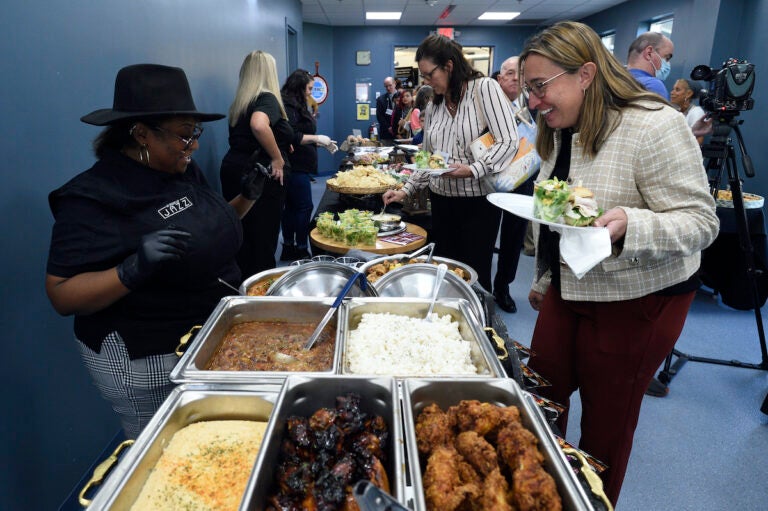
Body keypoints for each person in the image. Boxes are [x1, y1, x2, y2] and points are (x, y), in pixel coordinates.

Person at [519, 21, 719, 505]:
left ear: (585, 74)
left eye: (540, 87)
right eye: (528, 89)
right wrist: (547, 277)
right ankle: (541, 492)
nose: (532, 101)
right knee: (539, 398)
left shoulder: (654, 124)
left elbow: (700, 222)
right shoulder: (560, 126)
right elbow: (561, 214)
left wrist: (631, 222)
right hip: (572, 286)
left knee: (605, 426)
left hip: (640, 299)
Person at [45, 64, 262, 438]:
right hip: (143, 358)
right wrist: (131, 269)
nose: (193, 145)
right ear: (141, 134)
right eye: (183, 135)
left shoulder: (181, 170)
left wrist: (247, 198)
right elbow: (62, 295)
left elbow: (207, 233)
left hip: (204, 337)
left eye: (195, 133)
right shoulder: (91, 197)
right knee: (160, 448)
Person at [382, 34, 519, 291]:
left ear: (448, 66)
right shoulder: (434, 105)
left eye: (429, 75)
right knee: (446, 275)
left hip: (478, 205)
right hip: (442, 202)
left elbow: (508, 141)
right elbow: (429, 159)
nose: (425, 82)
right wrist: (405, 190)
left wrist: (472, 169)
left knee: (474, 278)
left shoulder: (484, 88)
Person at [220, 50, 294, 278]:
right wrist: (277, 158)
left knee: (242, 235)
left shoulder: (241, 102)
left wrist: (282, 143)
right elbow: (260, 125)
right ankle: (262, 293)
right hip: (260, 176)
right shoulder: (266, 98)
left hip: (234, 169)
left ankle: (243, 285)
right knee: (263, 239)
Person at [493, 55, 542, 313]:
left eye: (519, 74)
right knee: (488, 234)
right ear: (500, 79)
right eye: (509, 73)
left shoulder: (533, 104)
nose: (514, 78)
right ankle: (481, 285)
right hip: (490, 181)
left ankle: (503, 286)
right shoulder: (487, 105)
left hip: (523, 179)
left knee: (513, 238)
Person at [279, 69, 337, 261]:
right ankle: (301, 248)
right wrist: (317, 138)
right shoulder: (288, 106)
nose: (311, 92)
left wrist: (320, 143)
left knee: (292, 207)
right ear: (299, 86)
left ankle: (289, 246)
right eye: (309, 88)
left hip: (301, 163)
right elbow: (293, 136)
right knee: (303, 207)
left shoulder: (297, 104)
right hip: (295, 166)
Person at [626, 31, 674, 100]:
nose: (668, 63)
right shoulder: (653, 85)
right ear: (649, 53)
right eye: (667, 57)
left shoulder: (615, 80)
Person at [670, 78, 706, 144]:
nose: (672, 93)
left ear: (689, 93)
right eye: (673, 89)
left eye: (677, 90)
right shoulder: (675, 112)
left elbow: (698, 141)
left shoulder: (697, 112)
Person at [376, 76, 399, 145]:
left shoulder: (403, 96)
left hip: (400, 134)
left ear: (395, 83)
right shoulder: (381, 99)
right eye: (386, 86)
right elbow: (379, 116)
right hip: (386, 134)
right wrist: (388, 127)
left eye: (390, 85)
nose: (388, 88)